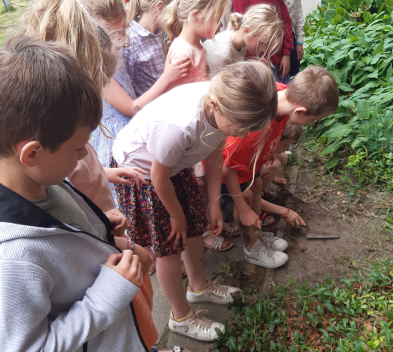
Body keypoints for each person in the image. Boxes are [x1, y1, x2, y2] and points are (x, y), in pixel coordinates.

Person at [23, 0, 174, 349]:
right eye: (100, 81)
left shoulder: (57, 149)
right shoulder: (51, 159)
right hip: (102, 276)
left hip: (106, 243)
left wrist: (103, 178)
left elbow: (75, 183)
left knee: (139, 321)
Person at [0, 34, 148, 352]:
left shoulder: (40, 179)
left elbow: (60, 238)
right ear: (32, 154)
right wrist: (106, 297)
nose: (84, 156)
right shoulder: (12, 260)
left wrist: (95, 228)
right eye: (79, 147)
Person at [112, 61, 278, 342]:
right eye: (239, 127)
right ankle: (180, 316)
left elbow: (214, 154)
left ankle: (199, 287)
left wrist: (214, 202)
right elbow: (158, 175)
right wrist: (176, 215)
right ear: (214, 105)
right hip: (145, 175)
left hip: (174, 167)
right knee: (170, 246)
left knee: (194, 229)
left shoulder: (224, 104)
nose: (240, 134)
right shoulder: (180, 125)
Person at [222, 66, 339, 268]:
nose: (308, 124)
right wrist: (242, 209)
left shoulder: (282, 93)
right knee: (247, 200)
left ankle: (256, 235)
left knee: (257, 185)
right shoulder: (253, 129)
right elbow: (227, 169)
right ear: (300, 110)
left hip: (251, 164)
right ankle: (252, 248)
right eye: (311, 120)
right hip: (232, 171)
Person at [86, 0, 190, 204]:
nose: (125, 40)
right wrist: (167, 77)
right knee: (130, 195)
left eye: (125, 30)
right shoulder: (98, 67)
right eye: (117, 34)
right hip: (115, 137)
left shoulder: (114, 53)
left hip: (132, 128)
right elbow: (131, 107)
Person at [162, 0, 232, 252]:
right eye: (218, 18)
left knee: (200, 185)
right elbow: (174, 100)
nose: (223, 24)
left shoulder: (197, 47)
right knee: (195, 185)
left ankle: (206, 223)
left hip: (199, 131)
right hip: (188, 134)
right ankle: (200, 230)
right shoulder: (183, 51)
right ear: (195, 16)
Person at [202, 4, 283, 77]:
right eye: (262, 43)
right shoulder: (223, 53)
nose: (264, 49)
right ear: (246, 31)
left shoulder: (242, 44)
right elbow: (215, 87)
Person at [232, 0, 293, 83]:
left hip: (275, 59)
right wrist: (259, 59)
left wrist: (286, 52)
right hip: (253, 63)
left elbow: (285, 23)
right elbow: (243, 27)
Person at [282, 0, 305, 76]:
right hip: (273, 39)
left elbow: (298, 11)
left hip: (290, 38)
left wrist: (299, 41)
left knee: (293, 75)